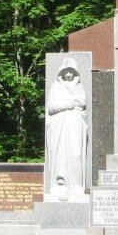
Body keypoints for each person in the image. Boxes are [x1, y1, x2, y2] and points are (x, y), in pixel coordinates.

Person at [45, 58, 87, 200]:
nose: (68, 74)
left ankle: (76, 186)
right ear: (61, 73)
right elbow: (51, 106)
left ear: (75, 73)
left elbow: (82, 103)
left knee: (75, 153)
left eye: (71, 71)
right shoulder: (56, 86)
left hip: (75, 123)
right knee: (60, 155)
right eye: (66, 71)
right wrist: (68, 104)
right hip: (59, 125)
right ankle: (60, 183)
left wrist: (73, 103)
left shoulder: (79, 86)